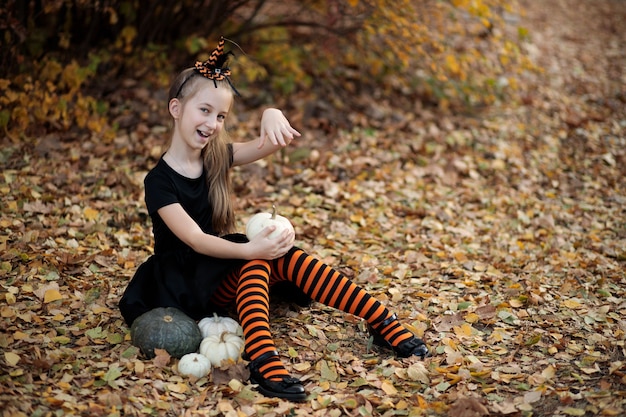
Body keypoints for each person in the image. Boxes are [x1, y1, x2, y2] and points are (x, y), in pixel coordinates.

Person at [119, 37, 429, 402]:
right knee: (257, 258)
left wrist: (271, 112)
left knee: (286, 256)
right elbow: (194, 239)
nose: (213, 123)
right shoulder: (159, 182)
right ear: (175, 108)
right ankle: (264, 362)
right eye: (204, 110)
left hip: (218, 264)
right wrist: (252, 248)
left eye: (220, 116)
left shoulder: (215, 158)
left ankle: (382, 321)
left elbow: (272, 142)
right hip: (184, 280)